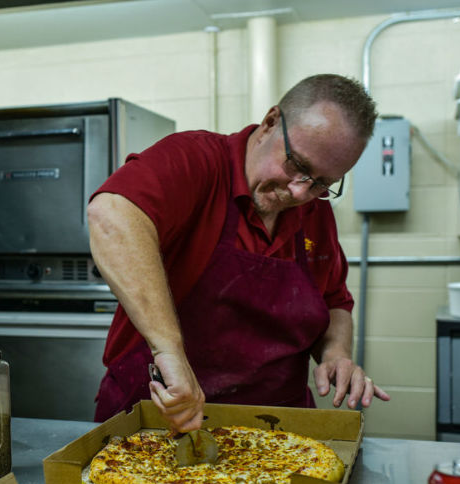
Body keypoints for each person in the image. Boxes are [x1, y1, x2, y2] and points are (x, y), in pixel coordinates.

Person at [87, 73, 391, 433]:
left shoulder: (316, 213)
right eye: (297, 165)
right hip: (157, 418)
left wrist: (336, 353)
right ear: (270, 123)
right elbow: (111, 214)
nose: (299, 192)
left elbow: (334, 300)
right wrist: (168, 350)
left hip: (275, 429)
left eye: (322, 183)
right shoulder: (196, 160)